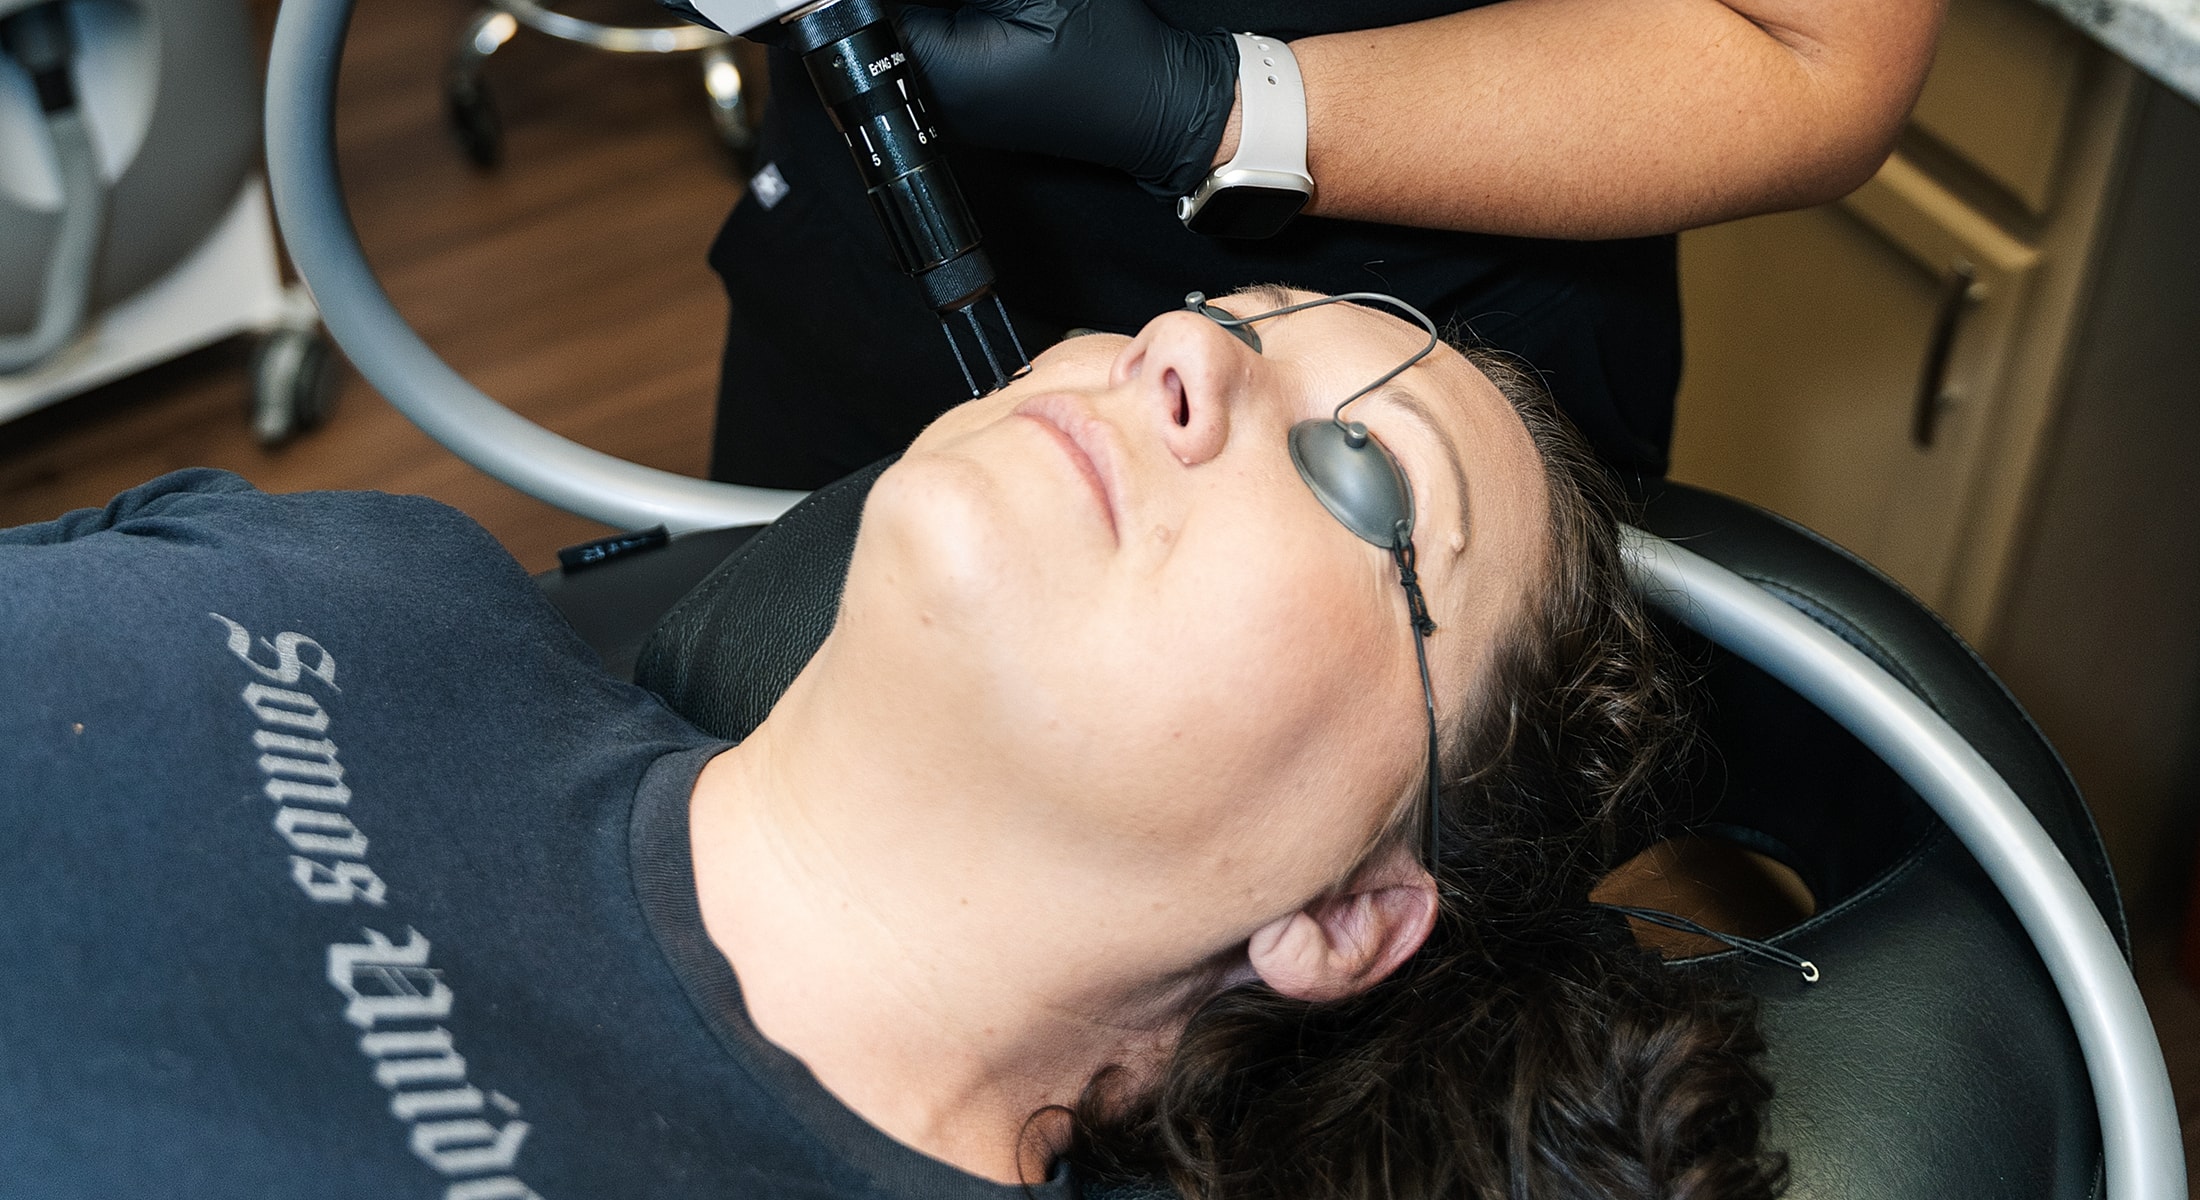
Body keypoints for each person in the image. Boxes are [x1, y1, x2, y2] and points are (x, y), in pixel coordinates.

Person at [0, 288, 1782, 1198]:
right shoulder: (388, 577)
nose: (1181, 347)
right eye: (1223, 311)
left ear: (1344, 915)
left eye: (1357, 473)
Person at [695, 0, 1943, 490]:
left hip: (1401, 376)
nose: (1174, 363)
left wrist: (1221, 107)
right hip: (869, 266)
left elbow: (1812, 62)